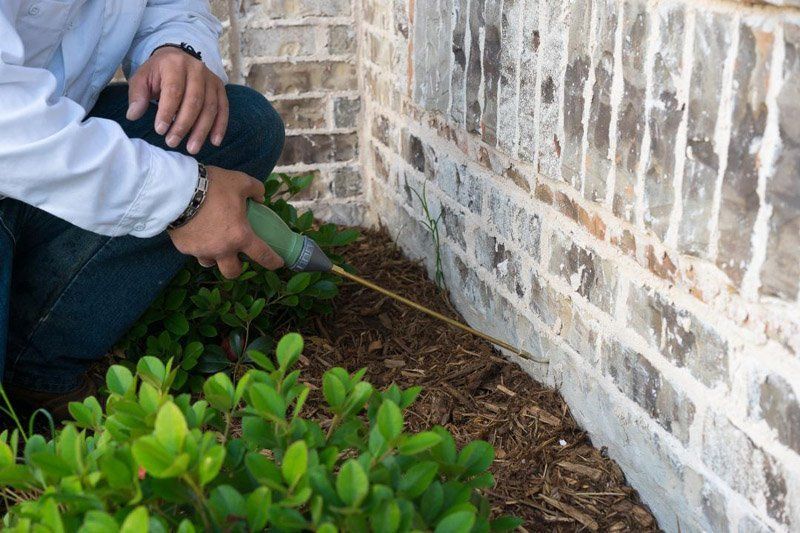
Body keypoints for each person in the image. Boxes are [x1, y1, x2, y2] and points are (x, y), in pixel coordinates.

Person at [0, 1, 286, 419]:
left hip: (52, 150)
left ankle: (35, 367)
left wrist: (173, 49)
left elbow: (171, 6)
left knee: (239, 127)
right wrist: (184, 197)